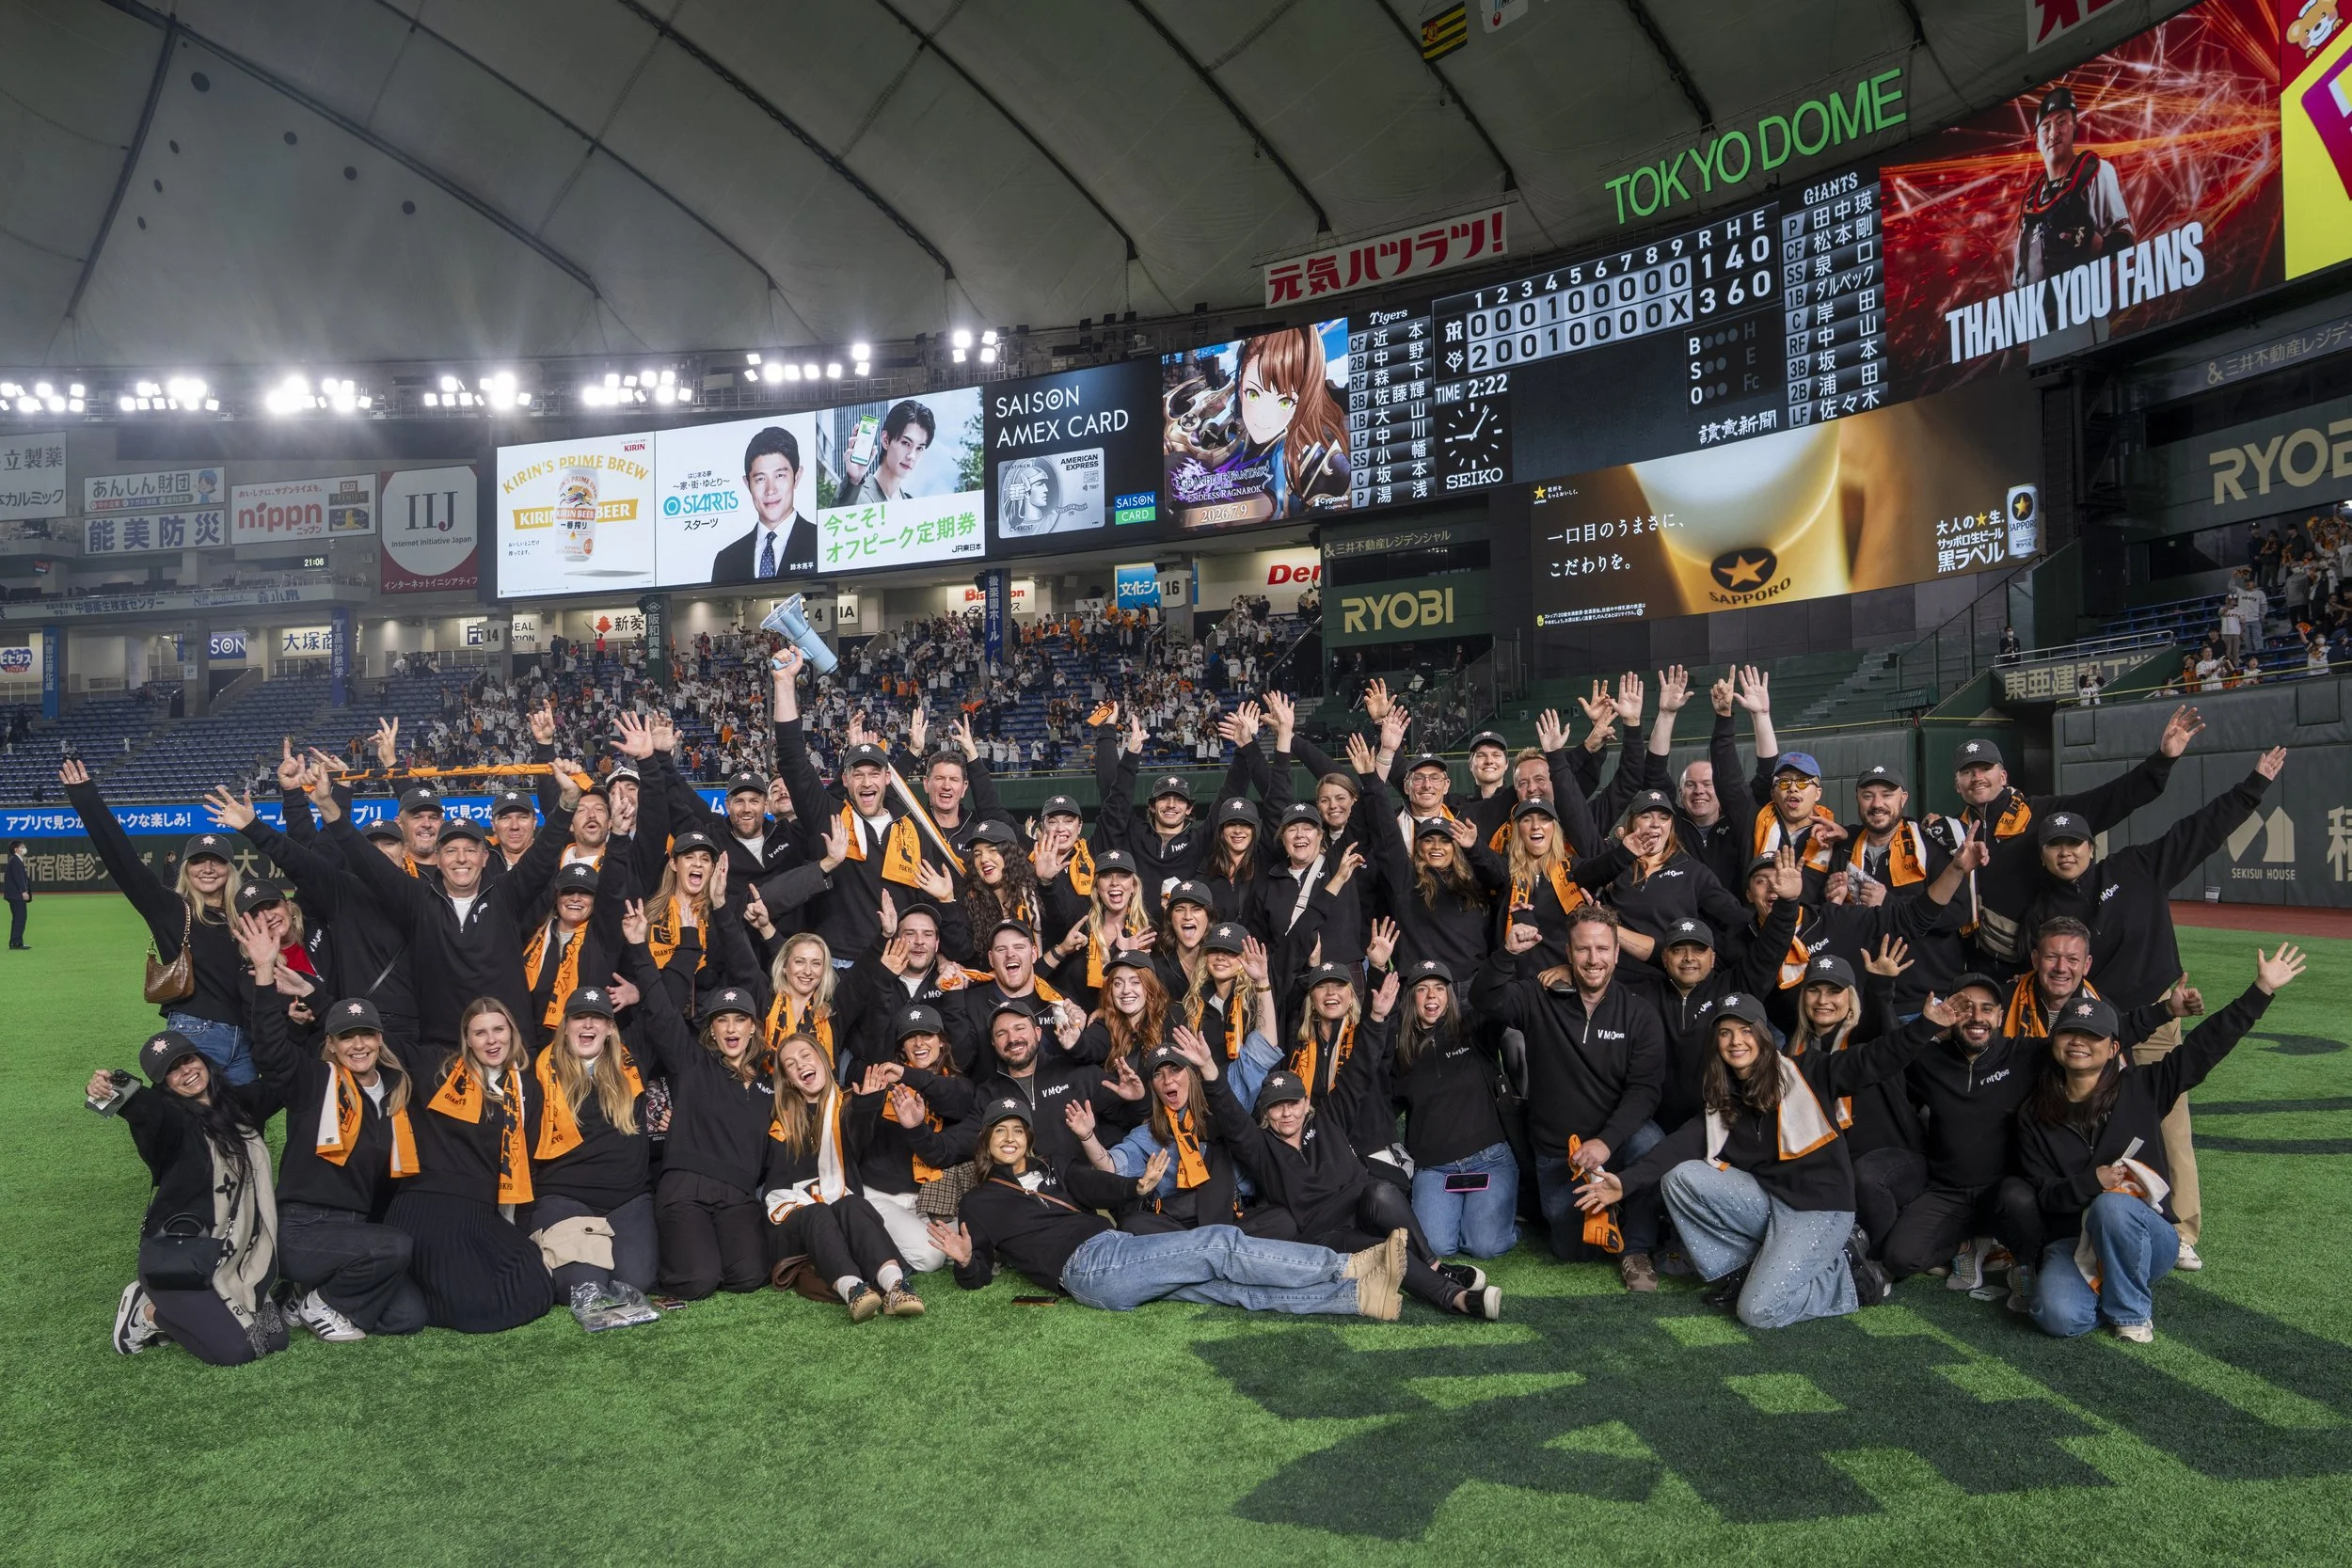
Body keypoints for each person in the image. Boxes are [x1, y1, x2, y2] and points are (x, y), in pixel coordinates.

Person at [1579, 991, 1946, 1329]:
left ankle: (1850, 1278)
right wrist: (1624, 1183)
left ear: (1763, 1036)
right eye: (1725, 1033)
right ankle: (1740, 1272)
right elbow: (1673, 1149)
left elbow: (1876, 1059)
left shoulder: (1810, 1071)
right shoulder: (1725, 1101)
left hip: (1820, 1210)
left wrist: (1926, 1024)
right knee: (1681, 1177)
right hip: (1772, 1203)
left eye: (1745, 1031)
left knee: (1757, 1311)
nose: (1735, 1041)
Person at [2018, 948, 2303, 1342]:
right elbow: (2045, 1196)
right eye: (2070, 1033)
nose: (2079, 1042)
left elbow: (2204, 1048)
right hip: (2074, 1239)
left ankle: (2131, 1313)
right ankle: (2106, 1285)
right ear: (2055, 1042)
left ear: (2114, 1048)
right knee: (2057, 1319)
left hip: (2147, 1236)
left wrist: (2261, 990)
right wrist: (2092, 1182)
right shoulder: (2034, 1112)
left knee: (2113, 1205)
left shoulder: (2144, 1087)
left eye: (2093, 1035)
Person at [930, 1096, 1404, 1318]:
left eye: (1017, 1130)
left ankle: (1358, 1299)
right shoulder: (979, 1202)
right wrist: (967, 1261)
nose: (1009, 1138)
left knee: (1229, 1289)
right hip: (1089, 1266)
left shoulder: (1053, 1166)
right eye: (1000, 1131)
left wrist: (1136, 1187)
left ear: (1028, 1139)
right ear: (986, 1143)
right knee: (1219, 1244)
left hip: (1113, 1254)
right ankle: (1345, 1266)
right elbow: (979, 1273)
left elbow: (1095, 1185)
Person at [237, 917, 426, 1340]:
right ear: (332, 1044)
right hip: (301, 1228)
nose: (358, 1045)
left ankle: (303, 1293)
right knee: (395, 1246)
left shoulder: (395, 1092)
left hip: (354, 1229)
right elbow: (270, 1052)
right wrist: (265, 972)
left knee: (408, 1317)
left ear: (379, 1039)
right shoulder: (314, 1081)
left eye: (366, 1035)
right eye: (346, 1037)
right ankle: (318, 1303)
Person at [1472, 904, 1669, 1290]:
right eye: (1583, 949)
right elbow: (1485, 999)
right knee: (1573, 1250)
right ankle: (1604, 1206)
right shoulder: (1539, 996)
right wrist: (1507, 954)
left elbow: (1645, 1091)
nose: (1593, 959)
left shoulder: (1639, 1013)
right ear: (1568, 952)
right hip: (1560, 1151)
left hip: (1616, 1140)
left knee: (1651, 1143)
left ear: (1616, 953)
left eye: (1602, 949)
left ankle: (1637, 1248)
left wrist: (1606, 1142)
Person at [91, 1028, 289, 1364]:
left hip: (234, 1255)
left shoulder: (238, 1104)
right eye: (172, 1070)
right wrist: (108, 1090)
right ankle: (147, 1312)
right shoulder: (170, 1122)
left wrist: (299, 1026)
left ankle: (206, 1306)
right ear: (163, 1084)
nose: (186, 1071)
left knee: (276, 1338)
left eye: (188, 1059)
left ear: (203, 1059)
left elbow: (283, 1082)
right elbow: (142, 1107)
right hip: (183, 1257)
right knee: (237, 1350)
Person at [67, 759, 256, 1083]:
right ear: (186, 869)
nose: (207, 869)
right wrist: (86, 798)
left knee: (246, 1114)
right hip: (197, 1032)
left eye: (216, 861)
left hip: (248, 1039)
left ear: (230, 868)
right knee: (191, 1114)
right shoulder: (171, 909)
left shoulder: (247, 915)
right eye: (198, 862)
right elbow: (122, 860)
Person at [384, 998, 556, 1333]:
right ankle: (416, 1294)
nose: (491, 1040)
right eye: (480, 1033)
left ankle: (417, 1295)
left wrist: (519, 1228)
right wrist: (313, 999)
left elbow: (528, 1162)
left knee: (532, 1285)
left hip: (479, 1212)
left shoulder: (527, 1089)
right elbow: (377, 1038)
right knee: (476, 1308)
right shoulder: (439, 1069)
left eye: (498, 1030)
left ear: (511, 1033)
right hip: (424, 1207)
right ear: (467, 1039)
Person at [1877, 972, 2046, 1308]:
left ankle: (2023, 1263)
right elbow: (1887, 1051)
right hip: (1948, 1192)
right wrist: (1882, 989)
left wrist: (2156, 1014)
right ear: (1950, 1013)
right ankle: (1967, 1247)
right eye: (1966, 1008)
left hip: (2004, 1193)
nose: (1977, 1017)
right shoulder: (1929, 1058)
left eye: (1987, 1009)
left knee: (2019, 1199)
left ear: (2000, 1016)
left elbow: (2081, 1043)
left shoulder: (2023, 1054)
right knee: (1899, 1258)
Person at [760, 1033, 924, 1320]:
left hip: (838, 1205)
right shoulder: (780, 1116)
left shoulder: (847, 1104)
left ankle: (896, 1286)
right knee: (818, 1212)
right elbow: (777, 1182)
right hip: (792, 1215)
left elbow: (857, 1134)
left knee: (854, 1203)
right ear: (789, 1079)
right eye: (791, 1064)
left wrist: (868, 1104)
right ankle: (854, 1291)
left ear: (823, 1060)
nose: (801, 1065)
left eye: (806, 1056)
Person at [525, 983, 660, 1328]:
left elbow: (666, 1013)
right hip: (567, 1197)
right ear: (565, 1025)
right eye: (579, 1018)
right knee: (584, 1285)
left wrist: (641, 994)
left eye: (597, 1018)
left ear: (610, 1027)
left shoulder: (631, 1060)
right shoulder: (539, 1070)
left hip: (627, 1198)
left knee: (637, 1281)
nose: (588, 1025)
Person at [1388, 959, 1518, 1261]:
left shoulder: (1474, 1030)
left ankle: (1497, 1221)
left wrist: (1506, 955)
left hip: (1489, 1159)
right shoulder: (1401, 1052)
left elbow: (1492, 995)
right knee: (1436, 1246)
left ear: (1449, 995)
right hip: (1435, 1168)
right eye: (1422, 989)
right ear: (1411, 999)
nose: (1431, 996)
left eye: (1439, 988)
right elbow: (1384, 1109)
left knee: (1485, 1246)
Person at [846, 1004, 977, 1273]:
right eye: (910, 1037)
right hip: (881, 1196)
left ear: (942, 1042)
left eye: (926, 1035)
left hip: (927, 1202)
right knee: (932, 1258)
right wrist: (866, 1105)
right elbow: (856, 1141)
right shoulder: (883, 1081)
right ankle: (868, 1240)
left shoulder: (956, 1084)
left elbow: (955, 1101)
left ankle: (877, 1238)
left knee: (975, 1238)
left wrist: (907, 1075)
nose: (918, 1044)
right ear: (902, 1048)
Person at [2011, 84, 2133, 290]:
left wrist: (2094, 244)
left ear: (2074, 124)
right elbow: (2019, 276)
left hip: (2084, 301)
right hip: (2040, 307)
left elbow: (2125, 241)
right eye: (2046, 127)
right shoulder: (2031, 200)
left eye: (2061, 122)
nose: (2053, 133)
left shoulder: (2095, 171)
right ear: (2037, 140)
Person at [710, 425, 818, 583]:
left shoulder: (822, 541)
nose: (770, 490)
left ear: (797, 477)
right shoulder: (726, 560)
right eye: (760, 479)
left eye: (780, 476)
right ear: (747, 484)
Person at [835, 400, 938, 508]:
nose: (912, 456)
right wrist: (854, 479)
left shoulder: (913, 506)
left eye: (919, 448)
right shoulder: (854, 495)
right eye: (905, 443)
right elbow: (835, 517)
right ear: (886, 440)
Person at [6, 838, 27, 949]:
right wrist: (24, 891)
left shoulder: (15, 860)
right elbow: (19, 878)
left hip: (13, 894)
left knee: (17, 918)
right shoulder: (16, 860)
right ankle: (16, 942)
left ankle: (14, 941)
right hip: (16, 895)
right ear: (16, 849)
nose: (24, 848)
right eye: (22, 847)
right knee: (20, 918)